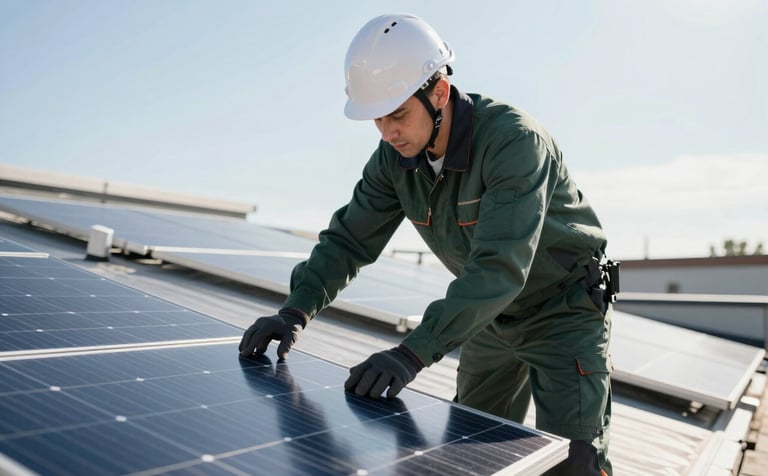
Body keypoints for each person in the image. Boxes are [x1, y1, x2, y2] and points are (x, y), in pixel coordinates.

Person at [240, 13, 616, 476]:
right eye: (377, 118)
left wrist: (410, 354)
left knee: (571, 464)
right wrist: (294, 310)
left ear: (438, 93)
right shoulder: (394, 159)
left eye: (398, 114)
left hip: (562, 312)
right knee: (474, 450)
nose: (388, 132)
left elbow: (499, 267)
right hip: (489, 317)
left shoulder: (515, 142)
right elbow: (348, 240)